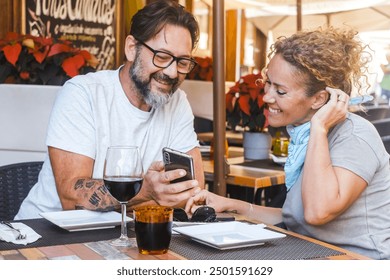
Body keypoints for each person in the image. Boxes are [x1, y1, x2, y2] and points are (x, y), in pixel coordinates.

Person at [185, 27, 390, 260]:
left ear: (319, 99)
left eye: (280, 91)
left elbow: (317, 213)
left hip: (361, 263)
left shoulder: (354, 136)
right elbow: (296, 219)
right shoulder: (304, 136)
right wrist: (230, 204)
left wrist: (319, 129)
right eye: (268, 83)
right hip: (312, 253)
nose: (267, 96)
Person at [15, 0, 205, 219]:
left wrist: (152, 197)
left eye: (182, 62)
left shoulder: (177, 102)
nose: (172, 72)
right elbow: (71, 198)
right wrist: (146, 191)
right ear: (132, 48)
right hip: (44, 235)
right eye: (161, 57)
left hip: (123, 236)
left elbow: (191, 192)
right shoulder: (83, 93)